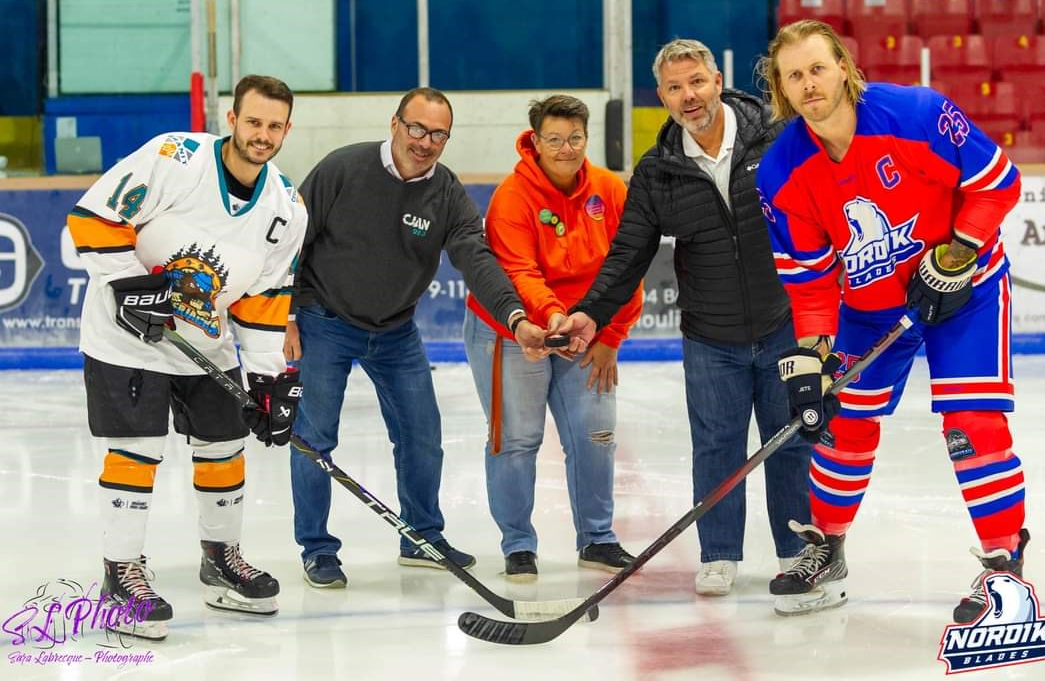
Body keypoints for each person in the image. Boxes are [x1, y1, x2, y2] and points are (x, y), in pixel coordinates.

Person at [755, 20, 1028, 621]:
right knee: (842, 424)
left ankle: (1004, 566)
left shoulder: (917, 115)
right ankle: (827, 548)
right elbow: (811, 284)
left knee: (972, 424)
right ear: (781, 88)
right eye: (794, 75)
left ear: (844, 68)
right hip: (870, 310)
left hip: (968, 291)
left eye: (817, 68)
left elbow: (997, 185)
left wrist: (956, 254)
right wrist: (815, 361)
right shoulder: (780, 173)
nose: (808, 84)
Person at [557, 39, 812, 596]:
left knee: (791, 440)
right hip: (711, 335)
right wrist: (590, 314)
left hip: (784, 323)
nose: (688, 95)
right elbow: (628, 254)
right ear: (663, 97)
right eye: (674, 88)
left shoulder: (776, 136)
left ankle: (798, 552)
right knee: (717, 446)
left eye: (696, 81)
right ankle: (719, 553)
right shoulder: (659, 170)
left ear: (717, 81)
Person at [68, 75, 307, 639]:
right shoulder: (175, 158)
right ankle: (120, 574)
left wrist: (268, 380)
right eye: (254, 121)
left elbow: (265, 300)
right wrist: (132, 287)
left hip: (206, 344)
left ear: (286, 130)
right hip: (127, 337)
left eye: (275, 126)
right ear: (232, 119)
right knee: (137, 449)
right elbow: (93, 218)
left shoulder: (286, 208)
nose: (263, 134)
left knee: (224, 446)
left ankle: (221, 560)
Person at [287, 86, 548, 588]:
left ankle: (422, 537)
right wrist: (287, 314)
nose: (425, 142)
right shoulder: (342, 168)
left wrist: (516, 317)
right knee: (314, 440)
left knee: (422, 435)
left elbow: (477, 260)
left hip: (395, 330)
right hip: (325, 321)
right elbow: (291, 241)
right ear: (394, 124)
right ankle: (316, 549)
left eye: (438, 135)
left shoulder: (445, 192)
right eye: (417, 128)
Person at [463, 95, 644, 581]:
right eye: (555, 139)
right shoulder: (512, 197)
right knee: (516, 439)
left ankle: (598, 539)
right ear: (535, 141)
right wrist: (554, 317)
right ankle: (518, 545)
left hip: (587, 330)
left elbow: (628, 265)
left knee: (595, 435)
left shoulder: (609, 189)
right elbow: (519, 271)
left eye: (576, 138)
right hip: (514, 328)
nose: (567, 149)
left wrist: (612, 335)